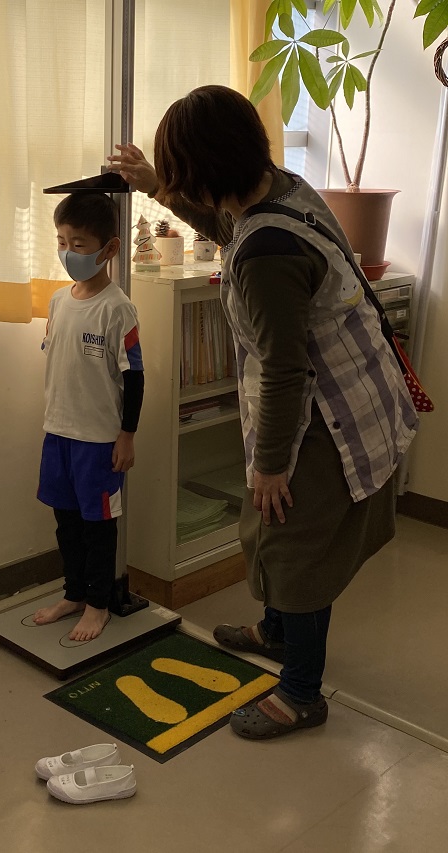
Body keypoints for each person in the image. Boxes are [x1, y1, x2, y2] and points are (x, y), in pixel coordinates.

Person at [108, 85, 418, 738]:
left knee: (294, 549)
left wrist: (272, 465)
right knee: (272, 535)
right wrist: (155, 184)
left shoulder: (267, 258)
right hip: (347, 391)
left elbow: (284, 367)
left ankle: (301, 692)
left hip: (325, 418)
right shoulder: (282, 188)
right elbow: (229, 225)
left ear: (209, 173)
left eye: (185, 175)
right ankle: (277, 632)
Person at [33, 192, 144, 642]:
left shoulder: (117, 308)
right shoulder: (59, 301)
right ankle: (75, 594)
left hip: (99, 441)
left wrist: (126, 435)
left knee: (97, 526)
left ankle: (98, 604)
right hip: (58, 432)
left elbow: (134, 377)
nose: (67, 253)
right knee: (66, 522)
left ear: (109, 248)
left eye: (78, 244)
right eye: (62, 242)